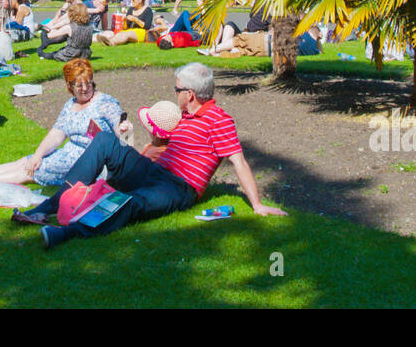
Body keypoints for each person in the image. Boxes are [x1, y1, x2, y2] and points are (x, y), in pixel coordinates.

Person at [14, 62, 287, 248]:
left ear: (190, 94)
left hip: (178, 188)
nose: (175, 93)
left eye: (177, 90)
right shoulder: (182, 115)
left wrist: (258, 205)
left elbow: (238, 161)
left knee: (132, 202)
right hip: (152, 171)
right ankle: (48, 207)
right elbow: (160, 145)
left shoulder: (219, 120)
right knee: (105, 141)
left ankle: (67, 233)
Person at [0, 59, 124, 188]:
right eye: (79, 86)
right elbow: (56, 133)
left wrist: (124, 129)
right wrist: (38, 154)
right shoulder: (71, 105)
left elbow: (121, 131)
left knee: (28, 172)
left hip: (89, 161)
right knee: (26, 161)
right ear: (70, 87)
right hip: (68, 152)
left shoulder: (104, 103)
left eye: (88, 84)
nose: (85, 89)